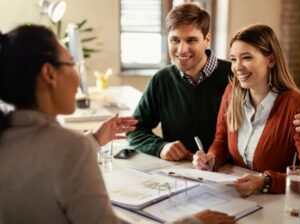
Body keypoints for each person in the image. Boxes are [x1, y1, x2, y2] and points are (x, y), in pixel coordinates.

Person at [0, 24, 235, 224]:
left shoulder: (8, 134)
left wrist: (92, 141)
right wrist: (194, 222)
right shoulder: (70, 148)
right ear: (49, 74)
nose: (78, 77)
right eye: (71, 64)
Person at [127, 2, 300, 162]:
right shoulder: (161, 80)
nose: (181, 49)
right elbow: (135, 130)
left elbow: (274, 114)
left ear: (207, 39)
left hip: (232, 175)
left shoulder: (238, 78)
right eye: (175, 40)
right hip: (180, 175)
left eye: (191, 40)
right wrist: (161, 147)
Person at [193, 24, 300, 197]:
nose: (237, 67)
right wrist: (210, 159)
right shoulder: (231, 93)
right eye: (233, 59)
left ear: (271, 60)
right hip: (235, 196)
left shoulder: (294, 104)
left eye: (246, 57)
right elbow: (221, 140)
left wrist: (266, 181)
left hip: (274, 201)